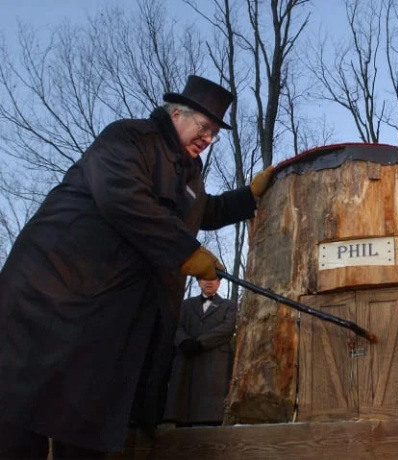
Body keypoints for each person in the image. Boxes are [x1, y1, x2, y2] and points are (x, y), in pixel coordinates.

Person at [0, 75, 274, 459]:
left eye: (214, 133)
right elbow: (123, 197)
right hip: (50, 292)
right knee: (19, 414)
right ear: (176, 113)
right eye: (204, 127)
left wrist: (250, 196)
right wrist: (185, 252)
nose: (208, 139)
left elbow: (202, 211)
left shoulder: (189, 172)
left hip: (99, 317)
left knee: (84, 423)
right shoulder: (129, 138)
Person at [163, 275, 237, 426]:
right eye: (204, 278)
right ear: (198, 282)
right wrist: (184, 341)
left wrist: (200, 343)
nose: (209, 282)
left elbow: (227, 329)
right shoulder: (185, 304)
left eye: (214, 279)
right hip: (186, 360)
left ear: (219, 282)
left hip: (215, 361)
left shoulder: (229, 305)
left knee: (211, 411)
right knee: (182, 407)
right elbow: (175, 325)